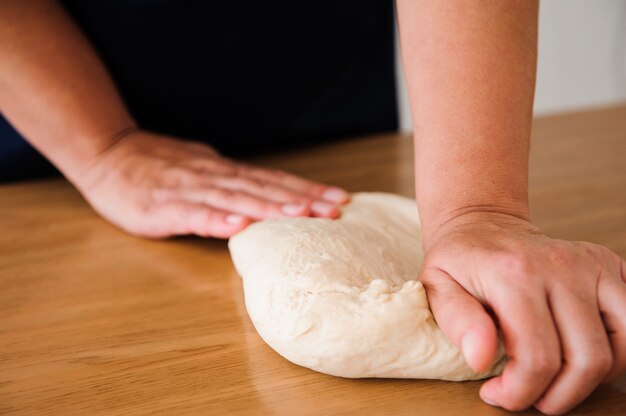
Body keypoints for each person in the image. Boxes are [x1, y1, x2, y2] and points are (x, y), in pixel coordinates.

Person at [0, 1, 624, 414]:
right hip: (45, 99)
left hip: (314, 75)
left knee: (346, 169)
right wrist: (104, 148)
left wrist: (480, 209)